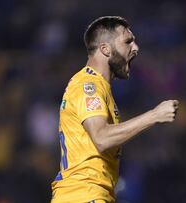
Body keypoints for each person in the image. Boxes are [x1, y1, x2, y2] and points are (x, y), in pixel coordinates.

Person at [51, 16, 179, 203]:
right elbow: (102, 138)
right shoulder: (89, 85)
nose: (135, 48)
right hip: (84, 195)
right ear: (105, 49)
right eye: (128, 41)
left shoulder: (99, 88)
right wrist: (154, 115)